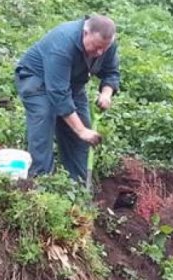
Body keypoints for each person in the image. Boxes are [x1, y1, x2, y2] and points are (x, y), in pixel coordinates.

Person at [14, 15, 120, 181]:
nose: (99, 52)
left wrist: (106, 93)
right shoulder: (63, 43)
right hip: (36, 79)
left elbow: (111, 72)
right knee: (44, 117)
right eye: (96, 47)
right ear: (86, 33)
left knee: (82, 137)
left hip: (72, 84)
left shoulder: (107, 44)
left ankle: (77, 186)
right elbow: (58, 94)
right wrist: (81, 130)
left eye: (104, 49)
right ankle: (41, 183)